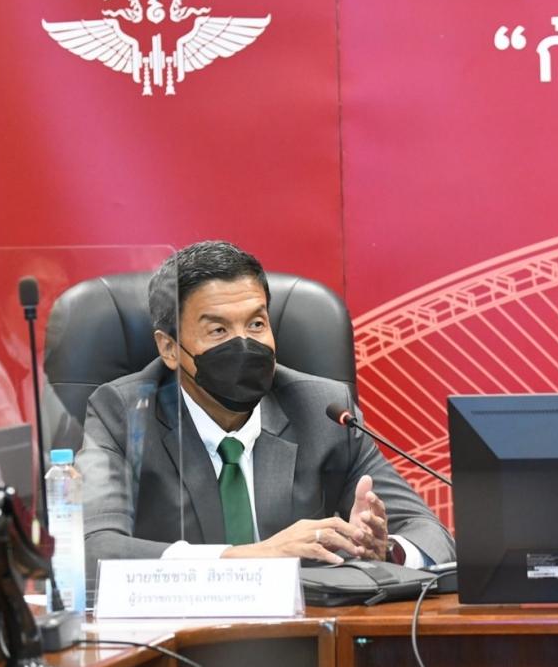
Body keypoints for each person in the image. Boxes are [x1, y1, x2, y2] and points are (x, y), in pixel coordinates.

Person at [77, 241, 455, 578]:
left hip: (306, 628)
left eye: (256, 324)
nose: (244, 344)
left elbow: (431, 535)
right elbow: (92, 550)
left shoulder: (322, 411)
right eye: (219, 331)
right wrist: (251, 558)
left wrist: (385, 549)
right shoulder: (124, 413)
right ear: (169, 349)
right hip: (179, 629)